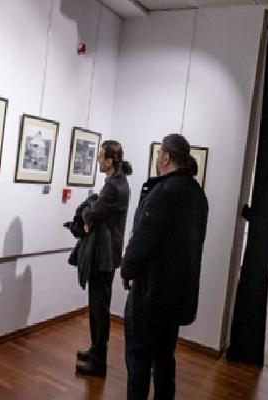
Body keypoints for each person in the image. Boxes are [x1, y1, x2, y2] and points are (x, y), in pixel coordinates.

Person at [120, 134, 208, 400]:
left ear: (167, 157)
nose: (158, 158)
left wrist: (127, 269)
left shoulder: (164, 192)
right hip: (177, 295)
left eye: (159, 154)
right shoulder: (197, 195)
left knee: (139, 362)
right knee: (164, 360)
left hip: (151, 294)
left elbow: (143, 238)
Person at [74, 140, 132, 377]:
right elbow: (95, 212)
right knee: (98, 308)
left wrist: (88, 211)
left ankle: (99, 362)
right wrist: (92, 210)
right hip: (105, 254)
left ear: (109, 161)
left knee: (99, 310)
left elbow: (91, 213)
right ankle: (96, 350)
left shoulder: (114, 187)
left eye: (100, 157)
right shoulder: (117, 182)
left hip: (103, 257)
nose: (98, 160)